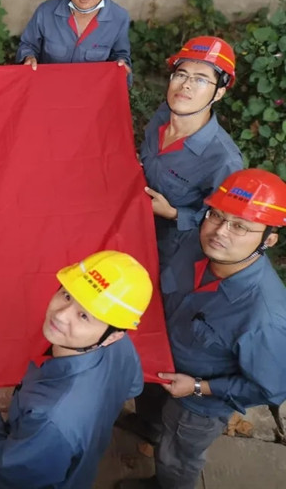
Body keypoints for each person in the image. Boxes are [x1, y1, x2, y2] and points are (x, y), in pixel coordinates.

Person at [117, 169, 286, 489]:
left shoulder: (265, 318)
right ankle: (148, 426)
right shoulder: (193, 245)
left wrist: (198, 387)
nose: (220, 232)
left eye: (240, 226)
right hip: (156, 364)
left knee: (177, 457)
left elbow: (269, 388)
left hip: (195, 402)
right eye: (217, 215)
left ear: (269, 240)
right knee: (149, 410)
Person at [0, 250, 153, 489]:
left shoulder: (50, 417)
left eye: (84, 316)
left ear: (112, 336)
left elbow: (9, 467)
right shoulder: (121, 345)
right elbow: (133, 387)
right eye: (67, 295)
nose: (61, 315)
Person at [140, 36, 243, 267]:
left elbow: (224, 222)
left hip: (170, 251)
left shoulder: (223, 160)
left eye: (201, 80)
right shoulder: (163, 114)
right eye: (181, 75)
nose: (186, 85)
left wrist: (173, 213)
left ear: (218, 93)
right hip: (132, 222)